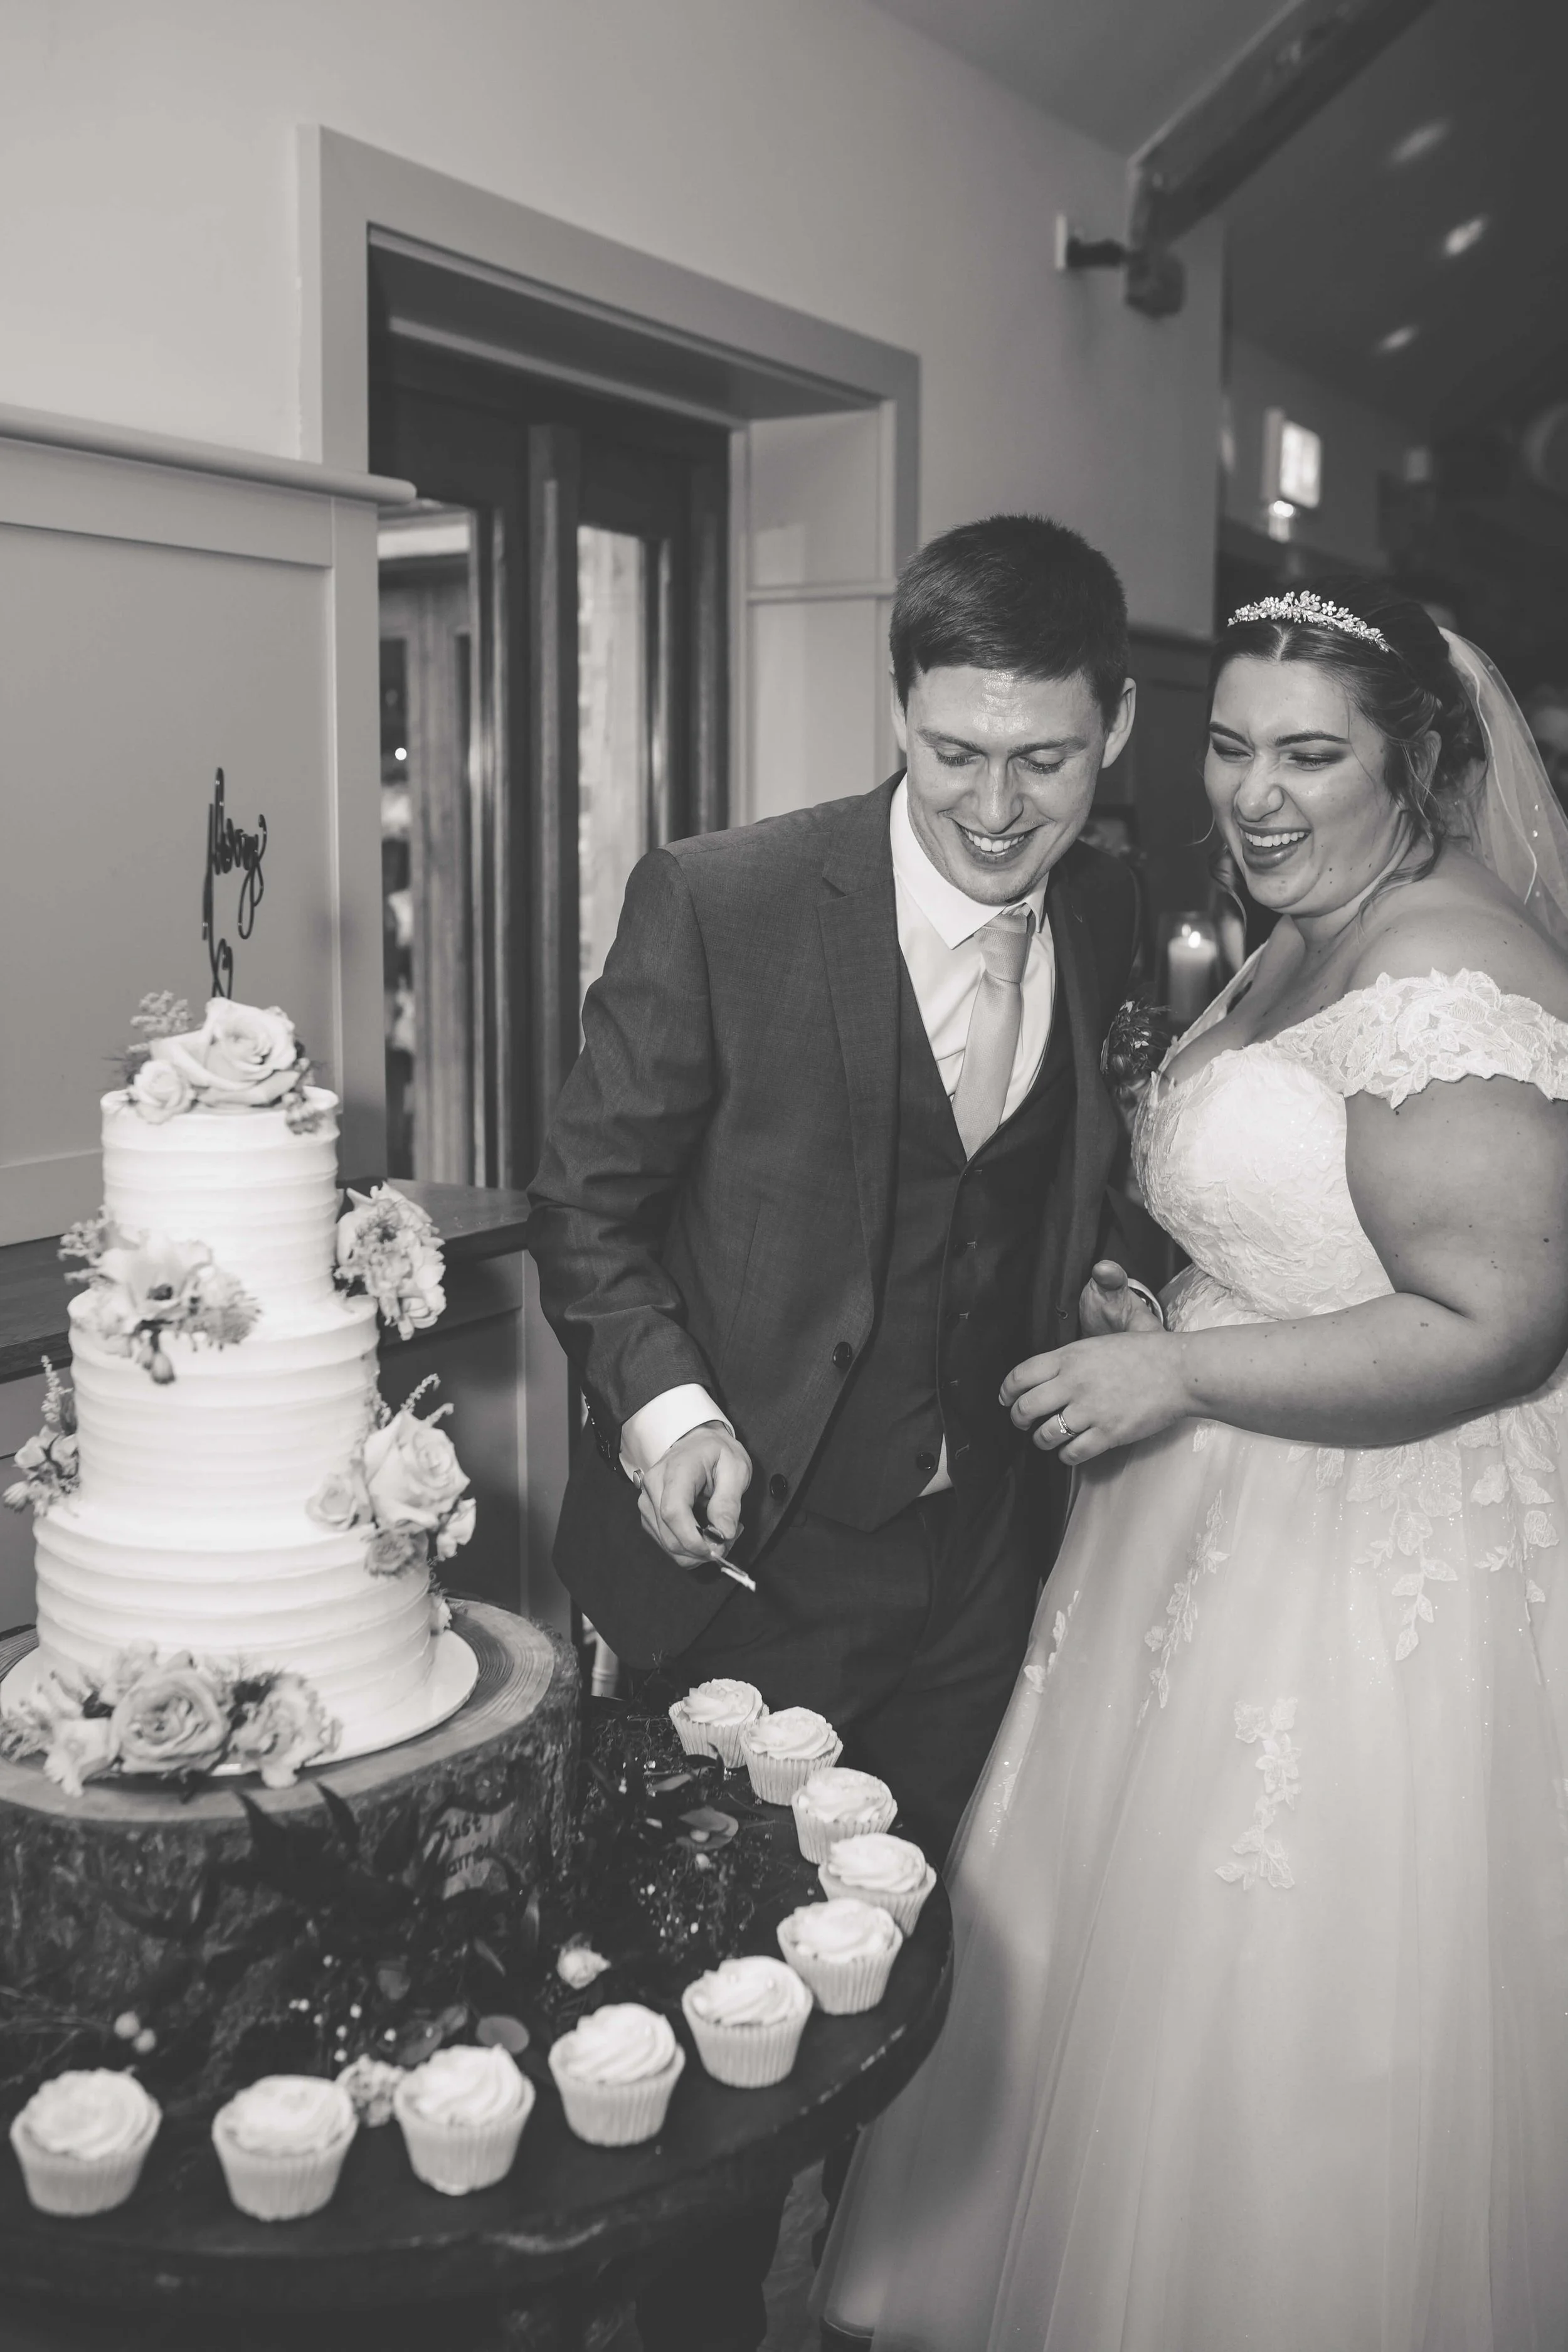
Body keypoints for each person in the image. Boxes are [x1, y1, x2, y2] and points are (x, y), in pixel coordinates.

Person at [817, 581, 1568, 2352]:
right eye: (1231, 748)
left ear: (1416, 763)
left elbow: (1494, 1325)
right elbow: (1306, 1229)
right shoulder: (1298, 929)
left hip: (1369, 1552)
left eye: (1311, 754)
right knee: (1121, 1974)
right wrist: (1159, 1296)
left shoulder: (1445, 973)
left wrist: (1179, 1366)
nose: (1257, 794)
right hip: (1198, 1513)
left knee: (1295, 1994)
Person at [526, 514, 1163, 2352]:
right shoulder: (721, 900)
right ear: (897, 707)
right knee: (716, 2015)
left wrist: (1117, 1286)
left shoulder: (1113, 909)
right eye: (953, 751)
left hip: (981, 1572)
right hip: (748, 1570)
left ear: (1114, 730)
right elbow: (588, 1207)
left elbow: (1083, 1181)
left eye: (1043, 760)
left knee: (904, 1991)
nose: (995, 806)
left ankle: (857, 2296)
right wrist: (667, 1410)